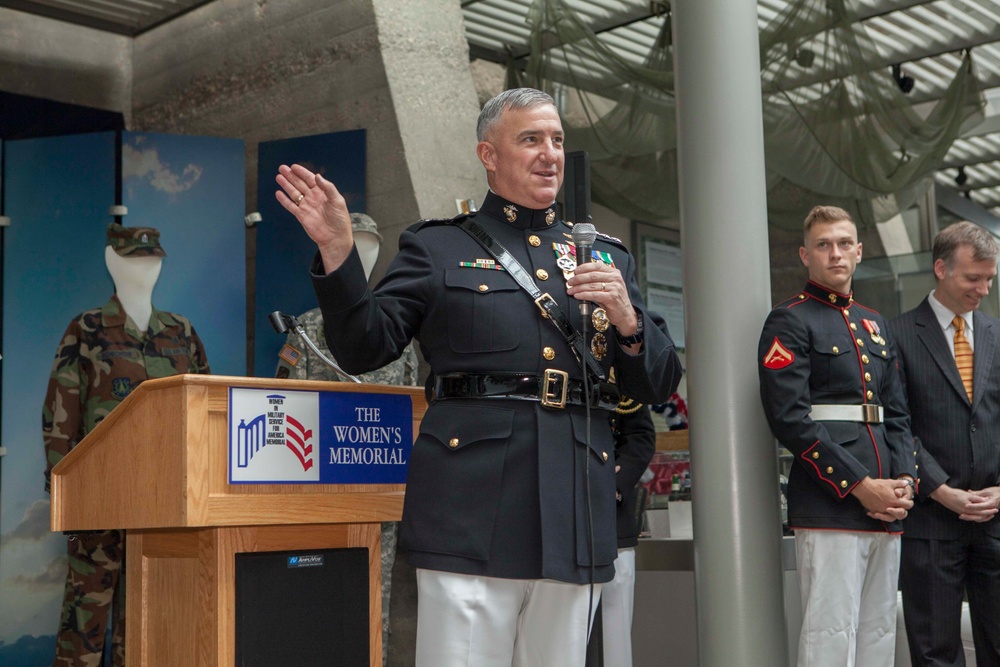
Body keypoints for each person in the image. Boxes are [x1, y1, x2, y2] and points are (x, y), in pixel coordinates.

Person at [275, 87, 682, 666]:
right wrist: (339, 252)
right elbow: (366, 345)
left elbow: (659, 383)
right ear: (488, 155)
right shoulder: (438, 246)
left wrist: (627, 318)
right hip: (471, 508)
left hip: (573, 507)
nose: (550, 154)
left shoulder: (606, 259)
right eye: (531, 139)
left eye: (558, 141)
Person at [42, 223, 211, 667]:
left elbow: (206, 411)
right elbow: (60, 413)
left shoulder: (181, 332)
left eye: (153, 259)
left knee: (145, 621)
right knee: (85, 620)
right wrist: (65, 492)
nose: (147, 268)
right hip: (97, 498)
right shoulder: (88, 328)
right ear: (112, 261)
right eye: (135, 258)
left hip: (163, 503)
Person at [757, 205, 916, 667]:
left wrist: (905, 480)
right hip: (832, 500)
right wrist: (860, 485)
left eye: (845, 243)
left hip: (888, 504)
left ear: (860, 252)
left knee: (879, 630)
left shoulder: (875, 323)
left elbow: (898, 414)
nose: (835, 254)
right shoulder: (789, 320)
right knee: (830, 633)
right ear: (806, 255)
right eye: (824, 245)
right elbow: (789, 418)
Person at [275, 212, 420, 667]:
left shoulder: (400, 336)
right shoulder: (307, 329)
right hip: (320, 491)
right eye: (354, 243)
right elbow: (283, 407)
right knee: (318, 598)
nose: (364, 252)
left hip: (381, 491)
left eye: (371, 245)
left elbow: (414, 410)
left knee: (378, 595)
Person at [889, 220, 1000, 667]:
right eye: (973, 278)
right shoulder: (894, 336)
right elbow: (897, 426)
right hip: (930, 522)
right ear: (940, 268)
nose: (983, 290)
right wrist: (940, 489)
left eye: (989, 279)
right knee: (935, 652)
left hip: (995, 518)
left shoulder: (997, 334)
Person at [586, 397, 656, 667]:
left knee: (614, 633)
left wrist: (614, 484)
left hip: (612, 517)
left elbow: (640, 435)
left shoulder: (617, 368)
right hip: (555, 509)